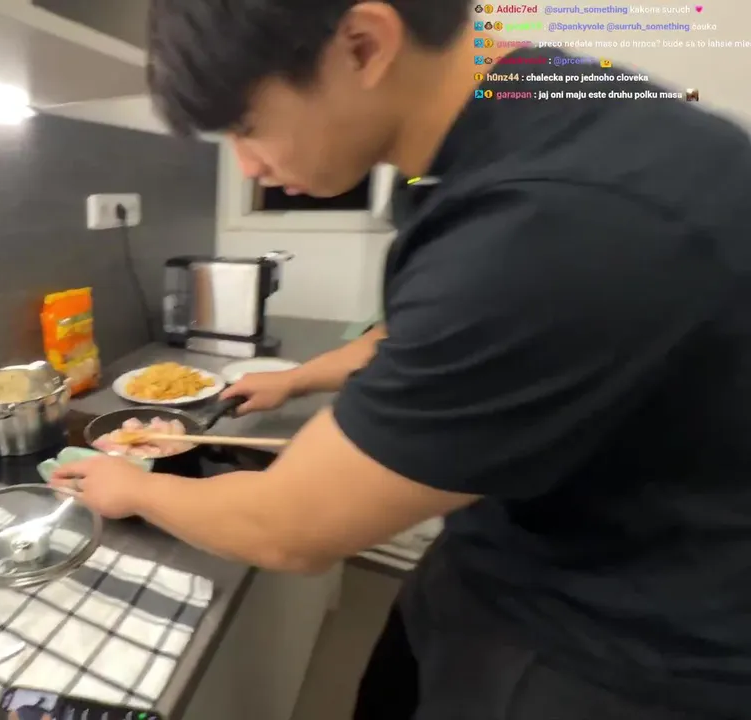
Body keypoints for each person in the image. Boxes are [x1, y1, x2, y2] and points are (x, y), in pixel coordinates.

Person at [49, 1, 751, 718]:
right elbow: (435, 326)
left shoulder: (558, 214)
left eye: (247, 126)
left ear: (362, 45)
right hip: (511, 548)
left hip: (616, 650)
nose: (248, 164)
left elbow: (290, 527)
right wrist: (300, 378)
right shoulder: (517, 124)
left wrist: (132, 490)